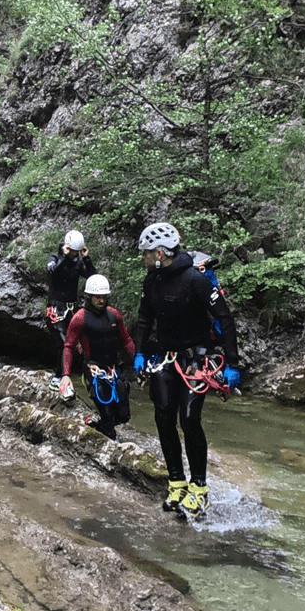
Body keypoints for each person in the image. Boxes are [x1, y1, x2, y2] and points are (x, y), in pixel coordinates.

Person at [132, 222, 242, 517]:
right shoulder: (151, 281)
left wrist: (232, 363)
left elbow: (225, 319)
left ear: (159, 253)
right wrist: (139, 353)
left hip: (197, 359)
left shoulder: (196, 279)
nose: (142, 258)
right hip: (166, 359)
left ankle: (200, 488)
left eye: (145, 253)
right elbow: (144, 320)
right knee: (163, 416)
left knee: (190, 418)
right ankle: (177, 481)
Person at [59, 274, 135, 441]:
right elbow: (69, 346)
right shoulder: (80, 318)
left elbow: (126, 340)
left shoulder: (114, 315)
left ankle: (96, 426)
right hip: (93, 372)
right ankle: (108, 438)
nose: (101, 300)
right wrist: (66, 375)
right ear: (89, 296)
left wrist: (135, 363)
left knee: (124, 416)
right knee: (108, 415)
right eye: (97, 297)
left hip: (113, 370)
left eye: (103, 297)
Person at [45, 229, 95, 399]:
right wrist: (66, 257)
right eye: (73, 251)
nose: (75, 255)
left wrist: (86, 258)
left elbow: (92, 277)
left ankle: (80, 379)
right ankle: (59, 377)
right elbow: (53, 273)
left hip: (71, 310)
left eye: (77, 252)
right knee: (63, 343)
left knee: (75, 344)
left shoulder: (77, 262)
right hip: (55, 309)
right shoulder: (54, 258)